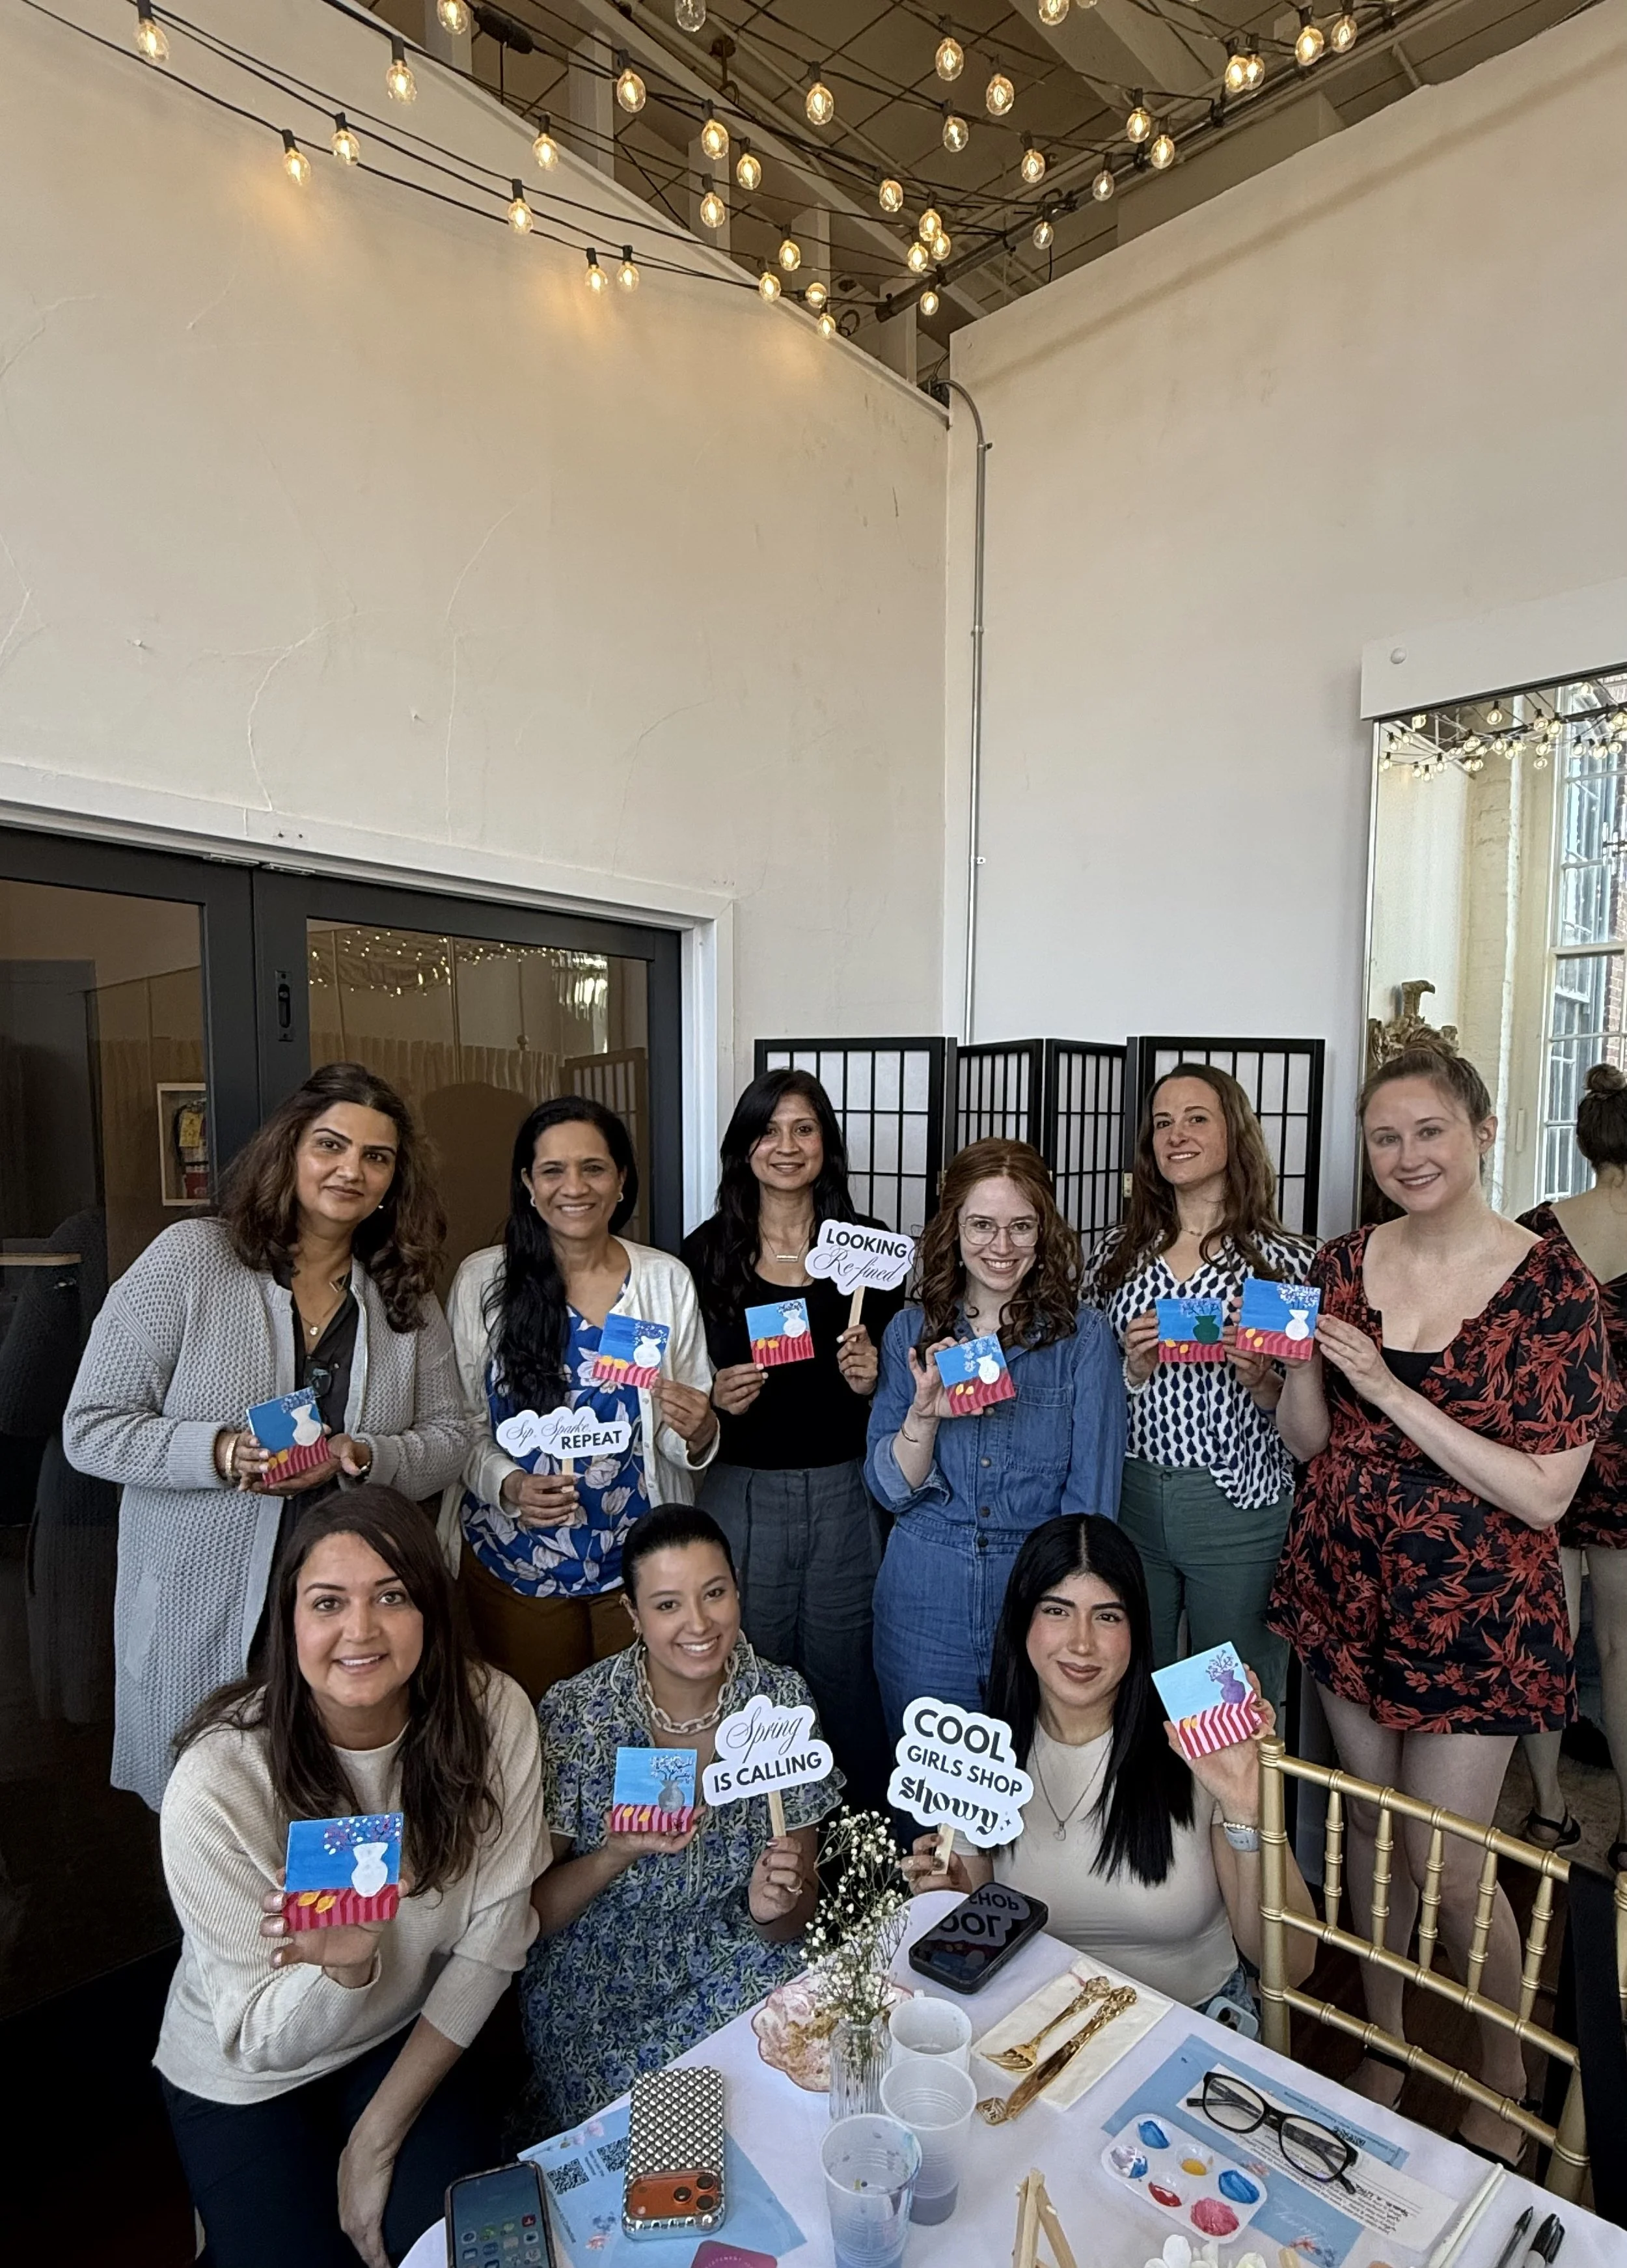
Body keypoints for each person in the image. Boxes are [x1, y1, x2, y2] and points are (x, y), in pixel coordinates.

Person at [1269, 1045, 1612, 2165]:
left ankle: (1508, 2065)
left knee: (1454, 1860)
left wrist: (1383, 1388)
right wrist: (1292, 1373)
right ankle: (1384, 2031)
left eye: (1428, 1130)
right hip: (1345, 1576)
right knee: (1368, 1825)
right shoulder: (1341, 1259)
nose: (1407, 1155)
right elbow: (1310, 1444)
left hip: (1474, 1610)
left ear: (1482, 1129)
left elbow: (1545, 1489)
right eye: (1385, 1137)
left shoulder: (1553, 1285)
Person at [156, 1487, 549, 2268]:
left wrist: (376, 2137)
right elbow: (261, 2038)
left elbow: (496, 1937)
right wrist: (345, 1969)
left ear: (431, 1611)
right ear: (289, 1621)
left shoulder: (493, 1713)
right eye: (328, 1602)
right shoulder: (219, 1781)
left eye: (392, 1596)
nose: (360, 1630)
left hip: (405, 2039)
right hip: (250, 2077)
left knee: (454, 2250)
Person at [62, 1062, 470, 1810]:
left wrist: (368, 1455)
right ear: (288, 1149)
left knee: (340, 1820)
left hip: (352, 1623)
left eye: (377, 1158)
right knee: (214, 1823)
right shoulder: (190, 1260)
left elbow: (452, 1436)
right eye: (331, 1145)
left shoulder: (404, 1294)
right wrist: (218, 1452)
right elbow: (90, 1428)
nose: (351, 1170)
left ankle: (338, 1935)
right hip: (209, 1613)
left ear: (393, 1181)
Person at [905, 1514, 1315, 2017]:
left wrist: (1249, 1813)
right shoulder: (977, 1754)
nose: (1081, 1643)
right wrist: (953, 1904)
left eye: (1107, 1616)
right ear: (1022, 1620)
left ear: (1136, 1630)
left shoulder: (1198, 1739)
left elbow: (1292, 1965)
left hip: (1188, 2024)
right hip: (1032, 2025)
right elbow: (976, 1940)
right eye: (1057, 1610)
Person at [523, 1504, 838, 2131]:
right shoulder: (578, 1713)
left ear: (738, 1590)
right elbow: (531, 1915)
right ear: (634, 1616)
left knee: (798, 2101)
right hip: (600, 1982)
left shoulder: (779, 1703)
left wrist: (769, 1907)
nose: (699, 1623)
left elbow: (794, 1919)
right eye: (668, 1605)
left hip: (737, 1960)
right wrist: (614, 1853)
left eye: (714, 1593)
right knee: (654, 2140)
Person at [446, 1098, 718, 1704]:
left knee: (636, 1738)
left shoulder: (663, 1280)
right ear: (528, 1184)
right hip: (516, 1560)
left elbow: (682, 1420)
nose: (575, 1187)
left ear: (622, 1180)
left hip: (640, 1566)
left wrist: (700, 1431)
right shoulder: (483, 1283)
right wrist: (508, 1485)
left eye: (594, 1168)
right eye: (553, 1171)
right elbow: (458, 1422)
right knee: (532, 1736)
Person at [681, 1069, 904, 1804]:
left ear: (826, 1145)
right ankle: (758, 1845)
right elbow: (684, 1383)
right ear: (744, 1147)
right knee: (749, 1667)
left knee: (847, 1671)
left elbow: (907, 1391)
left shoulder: (868, 1251)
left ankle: (855, 1844)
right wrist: (716, 1397)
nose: (786, 1146)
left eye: (803, 1129)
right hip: (741, 1492)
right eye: (768, 1130)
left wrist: (872, 1382)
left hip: (845, 1490)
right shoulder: (704, 1255)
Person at [866, 1137, 1125, 1735]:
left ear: (1045, 1231)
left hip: (1035, 1588)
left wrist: (1063, 1613)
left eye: (1021, 1227)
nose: (1001, 1247)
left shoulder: (1083, 1340)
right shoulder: (910, 1330)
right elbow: (888, 1489)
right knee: (928, 1806)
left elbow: (1092, 1508)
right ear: (953, 1227)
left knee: (1032, 1795)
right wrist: (925, 1415)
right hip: (924, 1596)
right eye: (982, 1225)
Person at [1084, 1063, 1313, 1717]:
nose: (1176, 1135)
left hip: (1238, 1506)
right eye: (1162, 1122)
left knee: (1230, 1694)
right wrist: (1130, 1369)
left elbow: (1312, 1422)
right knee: (1133, 1678)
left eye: (1196, 1118)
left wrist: (1261, 1379)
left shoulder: (1286, 1260)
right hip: (1130, 1498)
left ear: (1233, 1132)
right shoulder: (1115, 1257)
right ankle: (1155, 1821)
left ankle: (1239, 1822)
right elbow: (1087, 1391)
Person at [1518, 1062, 1627, 1866]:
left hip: (1550, 1452)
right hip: (1626, 1466)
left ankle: (1550, 1810)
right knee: (1622, 1647)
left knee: (1548, 1640)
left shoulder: (1534, 1228)